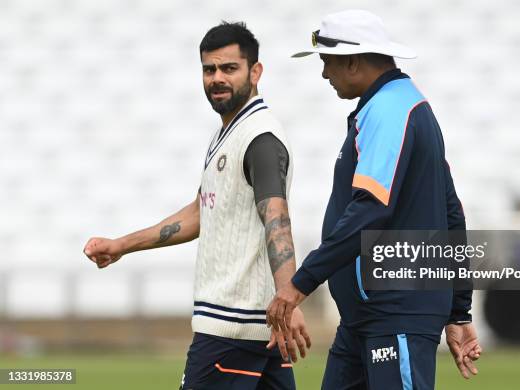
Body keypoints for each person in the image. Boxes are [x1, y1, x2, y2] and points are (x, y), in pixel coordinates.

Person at [83, 21, 310, 390]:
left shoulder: (259, 137)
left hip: (230, 328)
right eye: (209, 69)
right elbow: (200, 213)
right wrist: (121, 245)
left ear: (256, 72)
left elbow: (276, 218)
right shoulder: (228, 133)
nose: (217, 78)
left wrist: (289, 296)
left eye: (229, 68)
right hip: (259, 326)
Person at [266, 10, 481, 390]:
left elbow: (371, 208)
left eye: (327, 63)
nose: (323, 74)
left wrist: (301, 282)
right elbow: (453, 213)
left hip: (394, 315)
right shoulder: (401, 106)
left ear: (351, 61)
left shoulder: (389, 110)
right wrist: (458, 310)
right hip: (367, 319)